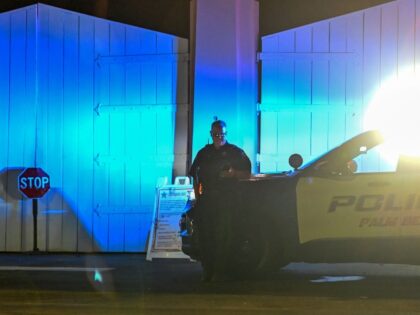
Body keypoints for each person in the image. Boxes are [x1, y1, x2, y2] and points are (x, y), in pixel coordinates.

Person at [189, 120, 251, 281]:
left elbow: (248, 174)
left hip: (227, 200)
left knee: (224, 236)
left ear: (226, 134)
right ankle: (208, 270)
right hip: (207, 199)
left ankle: (221, 271)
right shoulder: (204, 153)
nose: (219, 137)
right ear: (211, 134)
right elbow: (195, 176)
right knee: (205, 236)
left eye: (222, 134)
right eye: (216, 134)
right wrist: (197, 197)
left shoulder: (235, 152)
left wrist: (234, 174)